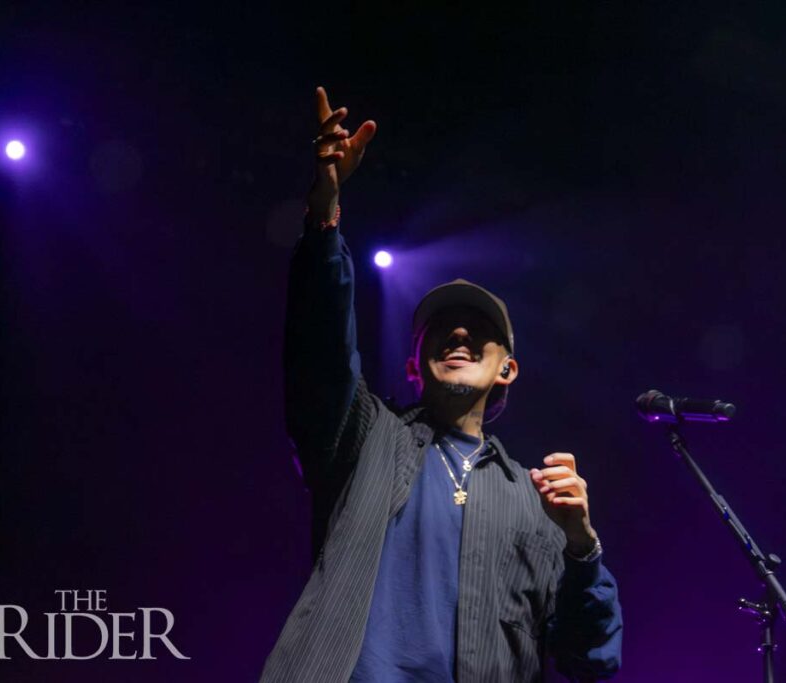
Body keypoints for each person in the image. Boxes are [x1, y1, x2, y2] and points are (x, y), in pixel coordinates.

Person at [260, 87, 623, 683]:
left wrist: (583, 547)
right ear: (412, 364)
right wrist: (325, 211)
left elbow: (593, 661)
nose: (457, 331)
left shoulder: (537, 502)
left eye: (478, 328)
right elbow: (319, 351)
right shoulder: (363, 439)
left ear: (508, 368)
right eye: (439, 329)